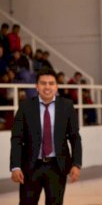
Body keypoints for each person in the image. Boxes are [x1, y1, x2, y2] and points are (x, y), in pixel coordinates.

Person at [10, 67, 82, 205]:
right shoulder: (25, 107)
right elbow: (16, 138)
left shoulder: (67, 106)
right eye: (43, 83)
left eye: (51, 83)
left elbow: (74, 137)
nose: (47, 87)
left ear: (56, 86)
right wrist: (15, 166)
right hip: (30, 167)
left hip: (57, 166)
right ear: (36, 87)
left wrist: (76, 164)